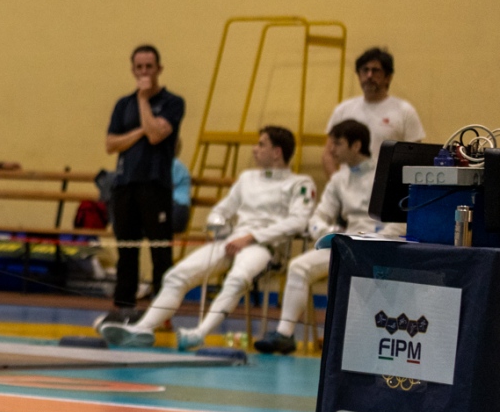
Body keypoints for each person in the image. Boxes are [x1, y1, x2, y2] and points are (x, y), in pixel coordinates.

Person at [101, 126, 314, 351]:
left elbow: (298, 221)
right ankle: (142, 329)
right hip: (231, 241)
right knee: (176, 275)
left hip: (264, 247)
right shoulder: (247, 178)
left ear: (277, 152)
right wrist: (218, 228)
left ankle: (200, 333)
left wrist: (251, 237)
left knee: (237, 279)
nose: (255, 149)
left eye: (261, 145)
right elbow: (221, 211)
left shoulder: (300, 184)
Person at [256, 120, 399, 354]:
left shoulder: (385, 174)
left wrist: (380, 240)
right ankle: (285, 334)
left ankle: (358, 342)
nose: (331, 150)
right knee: (299, 267)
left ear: (356, 145)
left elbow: (400, 220)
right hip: (347, 244)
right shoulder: (339, 179)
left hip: (379, 247)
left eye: (338, 143)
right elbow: (318, 217)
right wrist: (329, 233)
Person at [101, 45, 186, 325]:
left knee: (160, 251)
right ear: (132, 70)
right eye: (139, 67)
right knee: (127, 250)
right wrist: (139, 130)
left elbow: (155, 135)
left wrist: (143, 100)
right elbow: (110, 144)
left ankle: (162, 312)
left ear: (159, 69)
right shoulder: (122, 104)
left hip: (155, 185)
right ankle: (124, 308)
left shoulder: (173, 102)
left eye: (149, 67)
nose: (144, 72)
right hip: (125, 184)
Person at [324, 47, 425, 176]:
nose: (369, 76)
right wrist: (338, 184)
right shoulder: (343, 110)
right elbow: (328, 154)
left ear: (388, 77)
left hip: (387, 185)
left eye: (375, 70)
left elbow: (415, 157)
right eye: (365, 70)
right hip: (349, 185)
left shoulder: (405, 111)